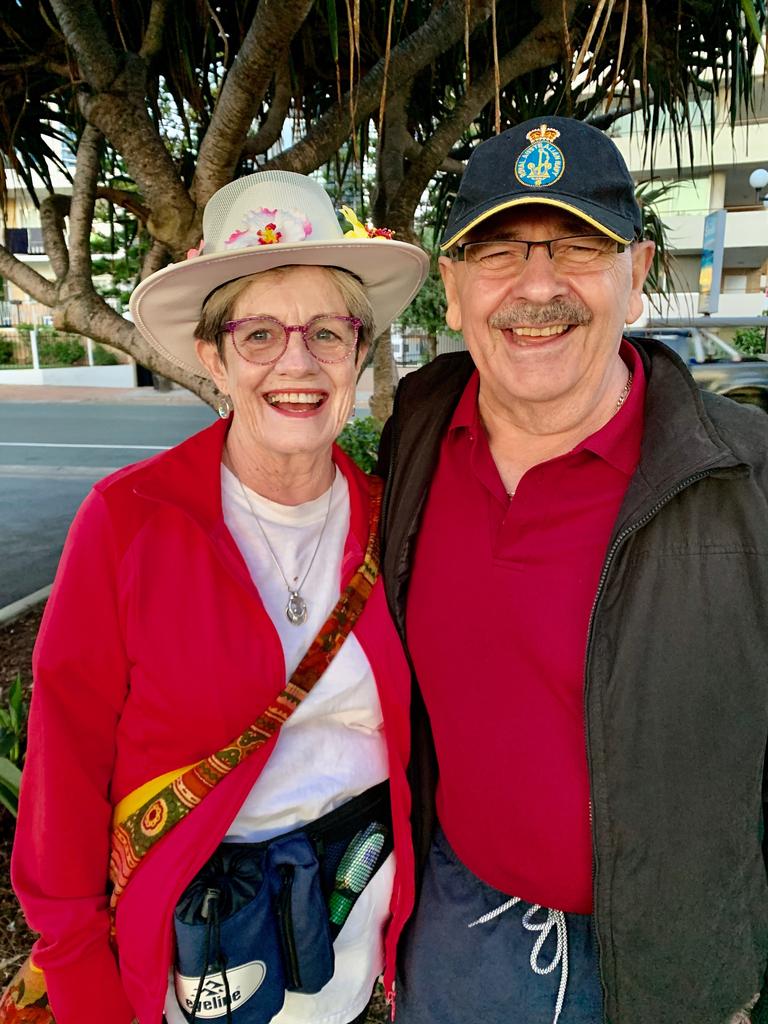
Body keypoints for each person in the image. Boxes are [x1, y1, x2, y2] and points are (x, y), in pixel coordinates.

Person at [9, 171, 428, 1024]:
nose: (298, 363)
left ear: (360, 348)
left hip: (354, 942)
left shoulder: (396, 517)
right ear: (213, 355)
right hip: (197, 962)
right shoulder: (131, 522)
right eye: (260, 334)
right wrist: (83, 977)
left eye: (327, 333)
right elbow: (64, 768)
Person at [377, 116, 768, 1024]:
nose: (538, 286)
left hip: (669, 965)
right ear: (454, 288)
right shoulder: (418, 437)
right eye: (499, 251)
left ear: (636, 274)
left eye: (579, 246)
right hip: (454, 919)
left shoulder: (748, 483)